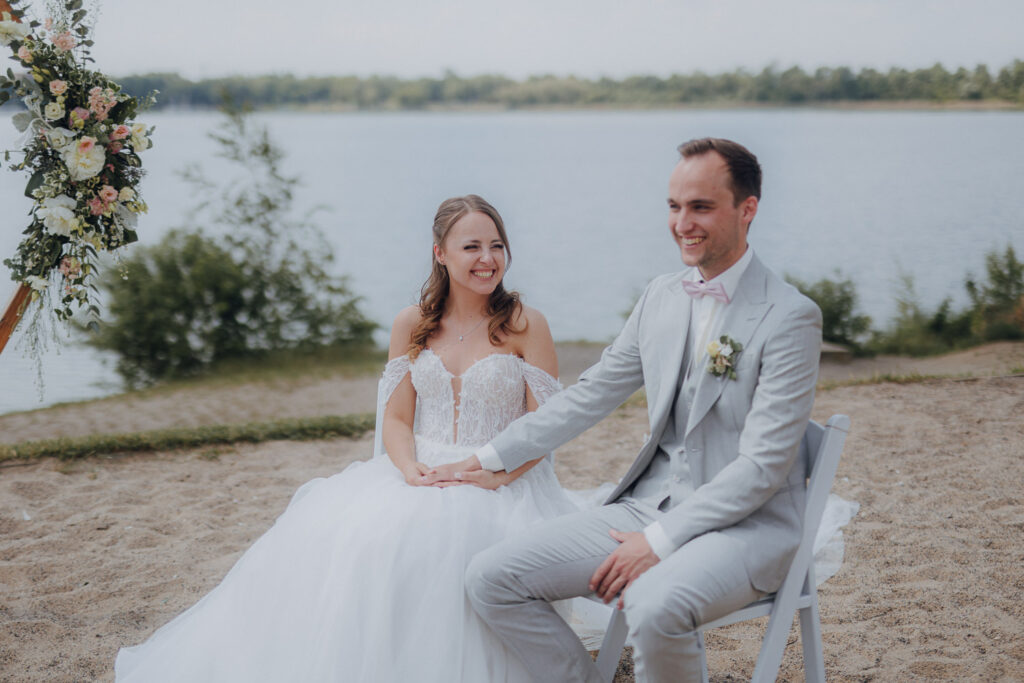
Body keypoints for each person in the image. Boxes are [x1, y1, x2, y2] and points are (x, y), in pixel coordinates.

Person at [114, 195, 579, 682]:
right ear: (440, 253)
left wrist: (491, 474)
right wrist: (407, 469)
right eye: (472, 246)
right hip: (419, 471)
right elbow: (397, 420)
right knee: (356, 540)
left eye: (497, 245)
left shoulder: (526, 323)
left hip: (504, 476)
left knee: (457, 546)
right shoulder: (413, 324)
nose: (488, 259)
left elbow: (543, 430)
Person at [424, 138, 824, 682]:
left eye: (701, 207)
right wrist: (487, 457)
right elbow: (591, 394)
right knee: (490, 578)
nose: (683, 222)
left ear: (746, 209)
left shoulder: (790, 318)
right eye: (674, 206)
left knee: (654, 603)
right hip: (644, 507)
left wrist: (656, 543)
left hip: (746, 530)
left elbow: (761, 471)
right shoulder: (661, 296)